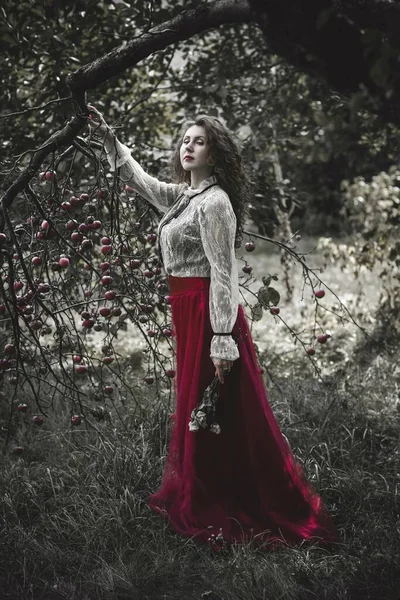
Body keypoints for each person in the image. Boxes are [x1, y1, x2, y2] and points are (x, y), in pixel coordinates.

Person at [87, 106, 339, 552]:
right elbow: (143, 184)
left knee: (223, 411)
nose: (188, 145)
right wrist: (112, 142)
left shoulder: (216, 202)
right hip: (187, 311)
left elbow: (222, 273)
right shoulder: (187, 197)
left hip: (209, 314)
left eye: (198, 140)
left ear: (215, 152)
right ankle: (207, 489)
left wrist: (223, 338)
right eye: (184, 139)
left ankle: (236, 499)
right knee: (201, 408)